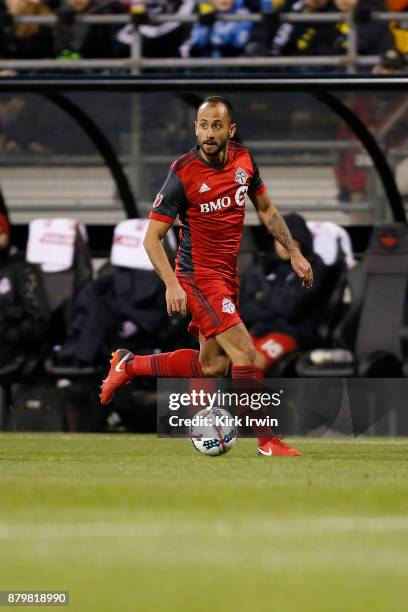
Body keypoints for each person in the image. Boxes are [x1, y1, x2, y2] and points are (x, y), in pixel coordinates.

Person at [100, 96, 313, 457]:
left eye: (216, 125)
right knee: (246, 352)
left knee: (213, 364)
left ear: (231, 130)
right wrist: (172, 284)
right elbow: (152, 239)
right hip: (198, 276)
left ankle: (129, 364)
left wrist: (293, 251)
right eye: (203, 125)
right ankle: (266, 441)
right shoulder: (182, 173)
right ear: (195, 127)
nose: (209, 132)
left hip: (227, 276)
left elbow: (265, 208)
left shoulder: (244, 161)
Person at [240, 213, 327, 375]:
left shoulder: (312, 268)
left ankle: (250, 401)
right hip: (258, 330)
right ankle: (201, 401)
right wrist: (274, 305)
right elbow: (244, 309)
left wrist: (263, 297)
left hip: (294, 333)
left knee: (253, 361)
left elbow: (291, 308)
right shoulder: (262, 267)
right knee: (212, 358)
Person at [0, 210, 50, 370]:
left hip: (13, 347)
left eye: (0, 233)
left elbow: (37, 319)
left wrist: (9, 333)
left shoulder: (22, 268)